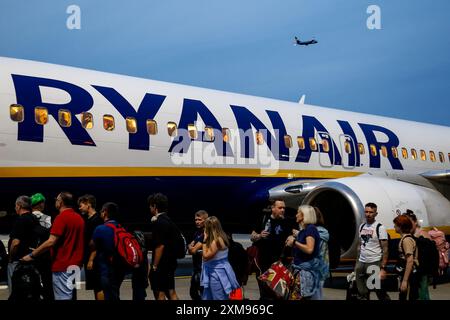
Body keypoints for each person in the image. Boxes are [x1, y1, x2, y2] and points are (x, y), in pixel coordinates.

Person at [22, 192, 85, 300]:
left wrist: (32, 255)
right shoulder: (79, 218)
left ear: (60, 202)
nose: (55, 201)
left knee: (63, 297)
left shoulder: (61, 218)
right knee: (72, 296)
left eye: (56, 199)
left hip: (63, 266)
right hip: (76, 266)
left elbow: (51, 241)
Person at [250, 199, 293, 299]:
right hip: (264, 261)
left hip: (280, 262)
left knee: (279, 292)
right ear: (273, 208)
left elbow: (293, 234)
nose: (282, 210)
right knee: (265, 290)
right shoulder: (263, 219)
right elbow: (252, 237)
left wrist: (292, 238)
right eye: (280, 208)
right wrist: (259, 235)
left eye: (284, 208)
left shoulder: (287, 221)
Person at [90, 202, 127, 300]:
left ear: (105, 212)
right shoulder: (120, 227)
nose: (100, 212)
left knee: (109, 295)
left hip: (107, 270)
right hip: (120, 269)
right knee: (115, 293)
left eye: (102, 211)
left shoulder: (101, 229)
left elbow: (92, 245)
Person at [354, 202, 390, 300]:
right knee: (362, 291)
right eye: (366, 212)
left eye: (371, 212)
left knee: (378, 289)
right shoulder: (362, 226)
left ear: (375, 214)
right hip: (361, 262)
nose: (368, 214)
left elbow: (385, 249)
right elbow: (360, 245)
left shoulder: (380, 228)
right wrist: (357, 264)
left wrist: (383, 268)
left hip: (373, 262)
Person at [285, 205, 321, 299]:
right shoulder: (304, 230)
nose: (296, 215)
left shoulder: (310, 229)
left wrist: (294, 242)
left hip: (305, 273)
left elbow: (309, 249)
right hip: (299, 270)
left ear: (304, 215)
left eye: (298, 212)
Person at [148, 193, 179, 300]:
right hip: (170, 262)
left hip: (162, 264)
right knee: (171, 291)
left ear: (155, 206)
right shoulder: (169, 221)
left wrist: (154, 266)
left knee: (159, 292)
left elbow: (160, 246)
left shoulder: (159, 223)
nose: (149, 208)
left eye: (150, 206)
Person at [200, 216, 240, 300]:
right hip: (214, 271)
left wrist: (204, 241)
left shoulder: (216, 241)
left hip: (217, 274)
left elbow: (206, 256)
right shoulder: (221, 237)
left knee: (218, 297)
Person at [8, 196, 35, 295]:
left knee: (15, 290)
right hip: (31, 259)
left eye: (15, 206)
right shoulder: (34, 218)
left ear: (19, 206)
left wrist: (10, 258)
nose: (15, 208)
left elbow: (15, 243)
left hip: (18, 260)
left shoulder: (20, 220)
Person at [78, 194, 103, 300]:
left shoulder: (97, 220)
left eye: (81, 205)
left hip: (95, 259)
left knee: (99, 286)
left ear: (88, 204)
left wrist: (91, 259)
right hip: (89, 257)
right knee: (94, 285)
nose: (79, 208)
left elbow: (97, 242)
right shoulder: (88, 219)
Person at [403, 210, 430, 300]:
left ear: (415, 222)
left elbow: (426, 256)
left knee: (422, 294)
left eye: (410, 222)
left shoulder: (423, 235)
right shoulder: (410, 235)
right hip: (414, 270)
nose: (408, 225)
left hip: (422, 270)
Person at [393, 215, 419, 301]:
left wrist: (404, 281)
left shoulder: (406, 240)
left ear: (401, 226)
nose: (394, 227)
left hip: (408, 276)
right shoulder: (405, 238)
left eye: (395, 225)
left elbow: (410, 261)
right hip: (406, 275)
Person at [187, 210, 208, 300]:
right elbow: (189, 248)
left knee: (203, 294)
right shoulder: (197, 233)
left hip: (203, 269)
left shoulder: (206, 234)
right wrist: (191, 248)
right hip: (196, 269)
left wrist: (192, 248)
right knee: (193, 293)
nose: (197, 222)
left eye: (199, 219)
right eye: (196, 220)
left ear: (206, 220)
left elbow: (192, 250)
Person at [313, 207, 330, 299]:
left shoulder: (316, 232)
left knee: (316, 296)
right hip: (321, 269)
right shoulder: (322, 231)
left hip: (316, 270)